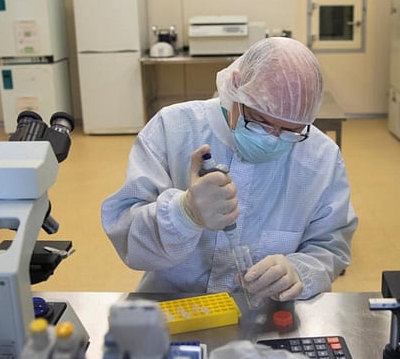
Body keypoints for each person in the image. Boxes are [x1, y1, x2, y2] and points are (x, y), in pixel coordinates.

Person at [101, 37, 358, 301]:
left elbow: (331, 245)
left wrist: (301, 271)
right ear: (235, 88)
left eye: (290, 131)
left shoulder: (321, 158)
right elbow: (128, 241)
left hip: (265, 314)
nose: (273, 137)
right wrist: (183, 212)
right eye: (260, 121)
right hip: (174, 305)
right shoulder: (173, 129)